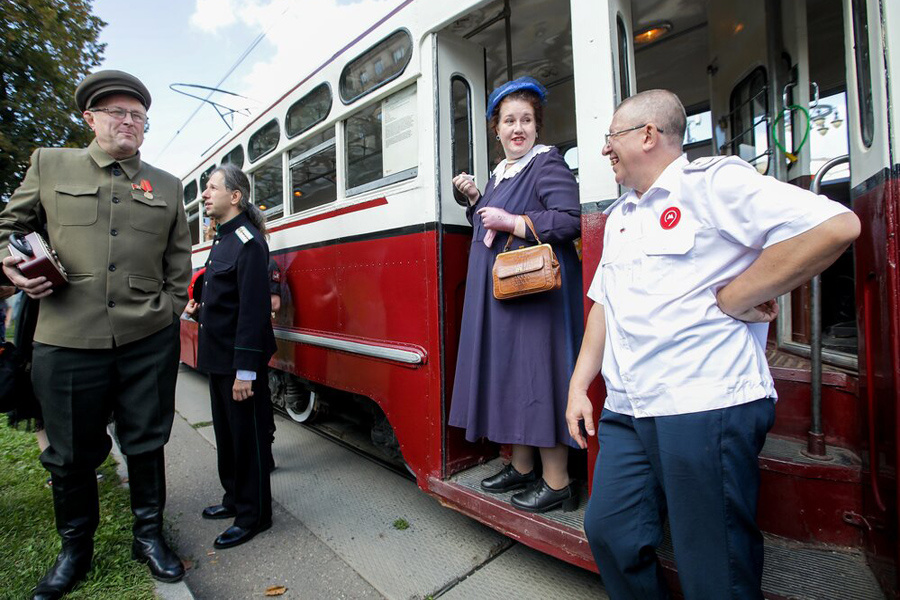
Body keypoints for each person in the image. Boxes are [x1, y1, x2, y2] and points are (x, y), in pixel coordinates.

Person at [566, 89, 861, 599]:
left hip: (703, 402)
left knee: (714, 568)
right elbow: (604, 308)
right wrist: (578, 387)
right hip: (629, 407)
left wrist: (734, 296)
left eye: (611, 137)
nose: (604, 149)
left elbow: (836, 226)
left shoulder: (712, 184)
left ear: (647, 135)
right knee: (611, 531)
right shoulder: (620, 216)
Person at [0, 69, 192, 599]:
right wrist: (9, 262)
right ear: (90, 118)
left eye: (138, 116)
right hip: (65, 338)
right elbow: (8, 227)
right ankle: (75, 550)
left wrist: (169, 311)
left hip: (147, 338)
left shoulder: (167, 185)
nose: (129, 122)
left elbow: (179, 260)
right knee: (68, 453)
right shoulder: (50, 164)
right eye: (117, 112)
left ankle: (148, 537)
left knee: (147, 442)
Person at [448, 77, 583, 513]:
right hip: (507, 294)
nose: (517, 128)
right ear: (497, 129)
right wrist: (476, 199)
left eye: (526, 119)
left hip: (535, 295)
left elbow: (570, 219)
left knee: (538, 376)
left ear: (537, 125)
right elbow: (488, 223)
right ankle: (523, 467)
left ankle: (558, 482)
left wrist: (513, 222)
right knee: (515, 376)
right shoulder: (499, 173)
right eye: (509, 121)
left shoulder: (546, 163)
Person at [184, 163, 276, 549]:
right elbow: (224, 301)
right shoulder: (222, 239)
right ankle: (234, 499)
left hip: (239, 365)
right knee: (227, 436)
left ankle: (255, 515)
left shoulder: (248, 242)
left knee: (247, 441)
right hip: (219, 358)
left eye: (212, 188)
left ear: (235, 196)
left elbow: (253, 312)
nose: (205, 195)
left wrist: (246, 372)